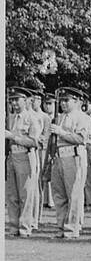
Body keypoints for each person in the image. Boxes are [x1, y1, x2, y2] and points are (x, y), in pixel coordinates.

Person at [47, 87, 91, 239]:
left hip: (74, 155)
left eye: (67, 100)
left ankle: (72, 228)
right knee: (59, 195)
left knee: (73, 194)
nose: (63, 103)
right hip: (59, 157)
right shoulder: (59, 118)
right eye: (62, 100)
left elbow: (81, 139)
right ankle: (61, 227)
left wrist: (61, 132)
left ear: (77, 101)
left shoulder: (83, 118)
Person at [5, 85, 43, 237]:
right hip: (12, 157)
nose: (14, 103)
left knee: (25, 194)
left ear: (26, 100)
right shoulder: (12, 118)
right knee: (12, 195)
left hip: (26, 155)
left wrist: (13, 137)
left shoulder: (31, 118)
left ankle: (25, 226)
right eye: (12, 100)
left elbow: (34, 141)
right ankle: (14, 226)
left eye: (17, 100)